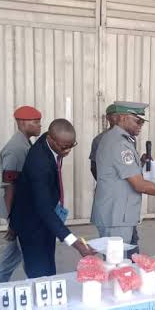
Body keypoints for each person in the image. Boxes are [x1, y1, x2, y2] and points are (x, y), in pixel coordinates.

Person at [91, 102, 155, 246]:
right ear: (122, 118)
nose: (141, 125)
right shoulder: (119, 143)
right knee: (116, 258)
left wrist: (140, 164)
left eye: (142, 122)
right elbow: (139, 185)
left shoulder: (118, 139)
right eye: (137, 121)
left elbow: (121, 172)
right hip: (115, 215)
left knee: (121, 257)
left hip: (117, 213)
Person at [10, 119, 95, 278]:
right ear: (50, 139)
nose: (67, 151)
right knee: (40, 274)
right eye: (64, 147)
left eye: (71, 145)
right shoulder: (39, 163)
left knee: (49, 269)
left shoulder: (50, 141)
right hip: (32, 224)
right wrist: (75, 242)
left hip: (46, 219)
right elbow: (43, 208)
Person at [0, 106, 42, 283]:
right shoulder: (16, 149)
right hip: (20, 214)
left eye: (39, 121)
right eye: (35, 122)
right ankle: (37, 287)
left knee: (12, 258)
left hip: (23, 212)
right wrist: (13, 222)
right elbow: (9, 187)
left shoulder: (25, 144)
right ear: (21, 123)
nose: (39, 125)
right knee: (31, 258)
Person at [89, 103, 121, 180]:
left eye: (120, 116)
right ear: (107, 117)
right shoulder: (98, 140)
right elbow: (94, 167)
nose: (118, 119)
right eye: (115, 116)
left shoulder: (129, 138)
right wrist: (106, 183)